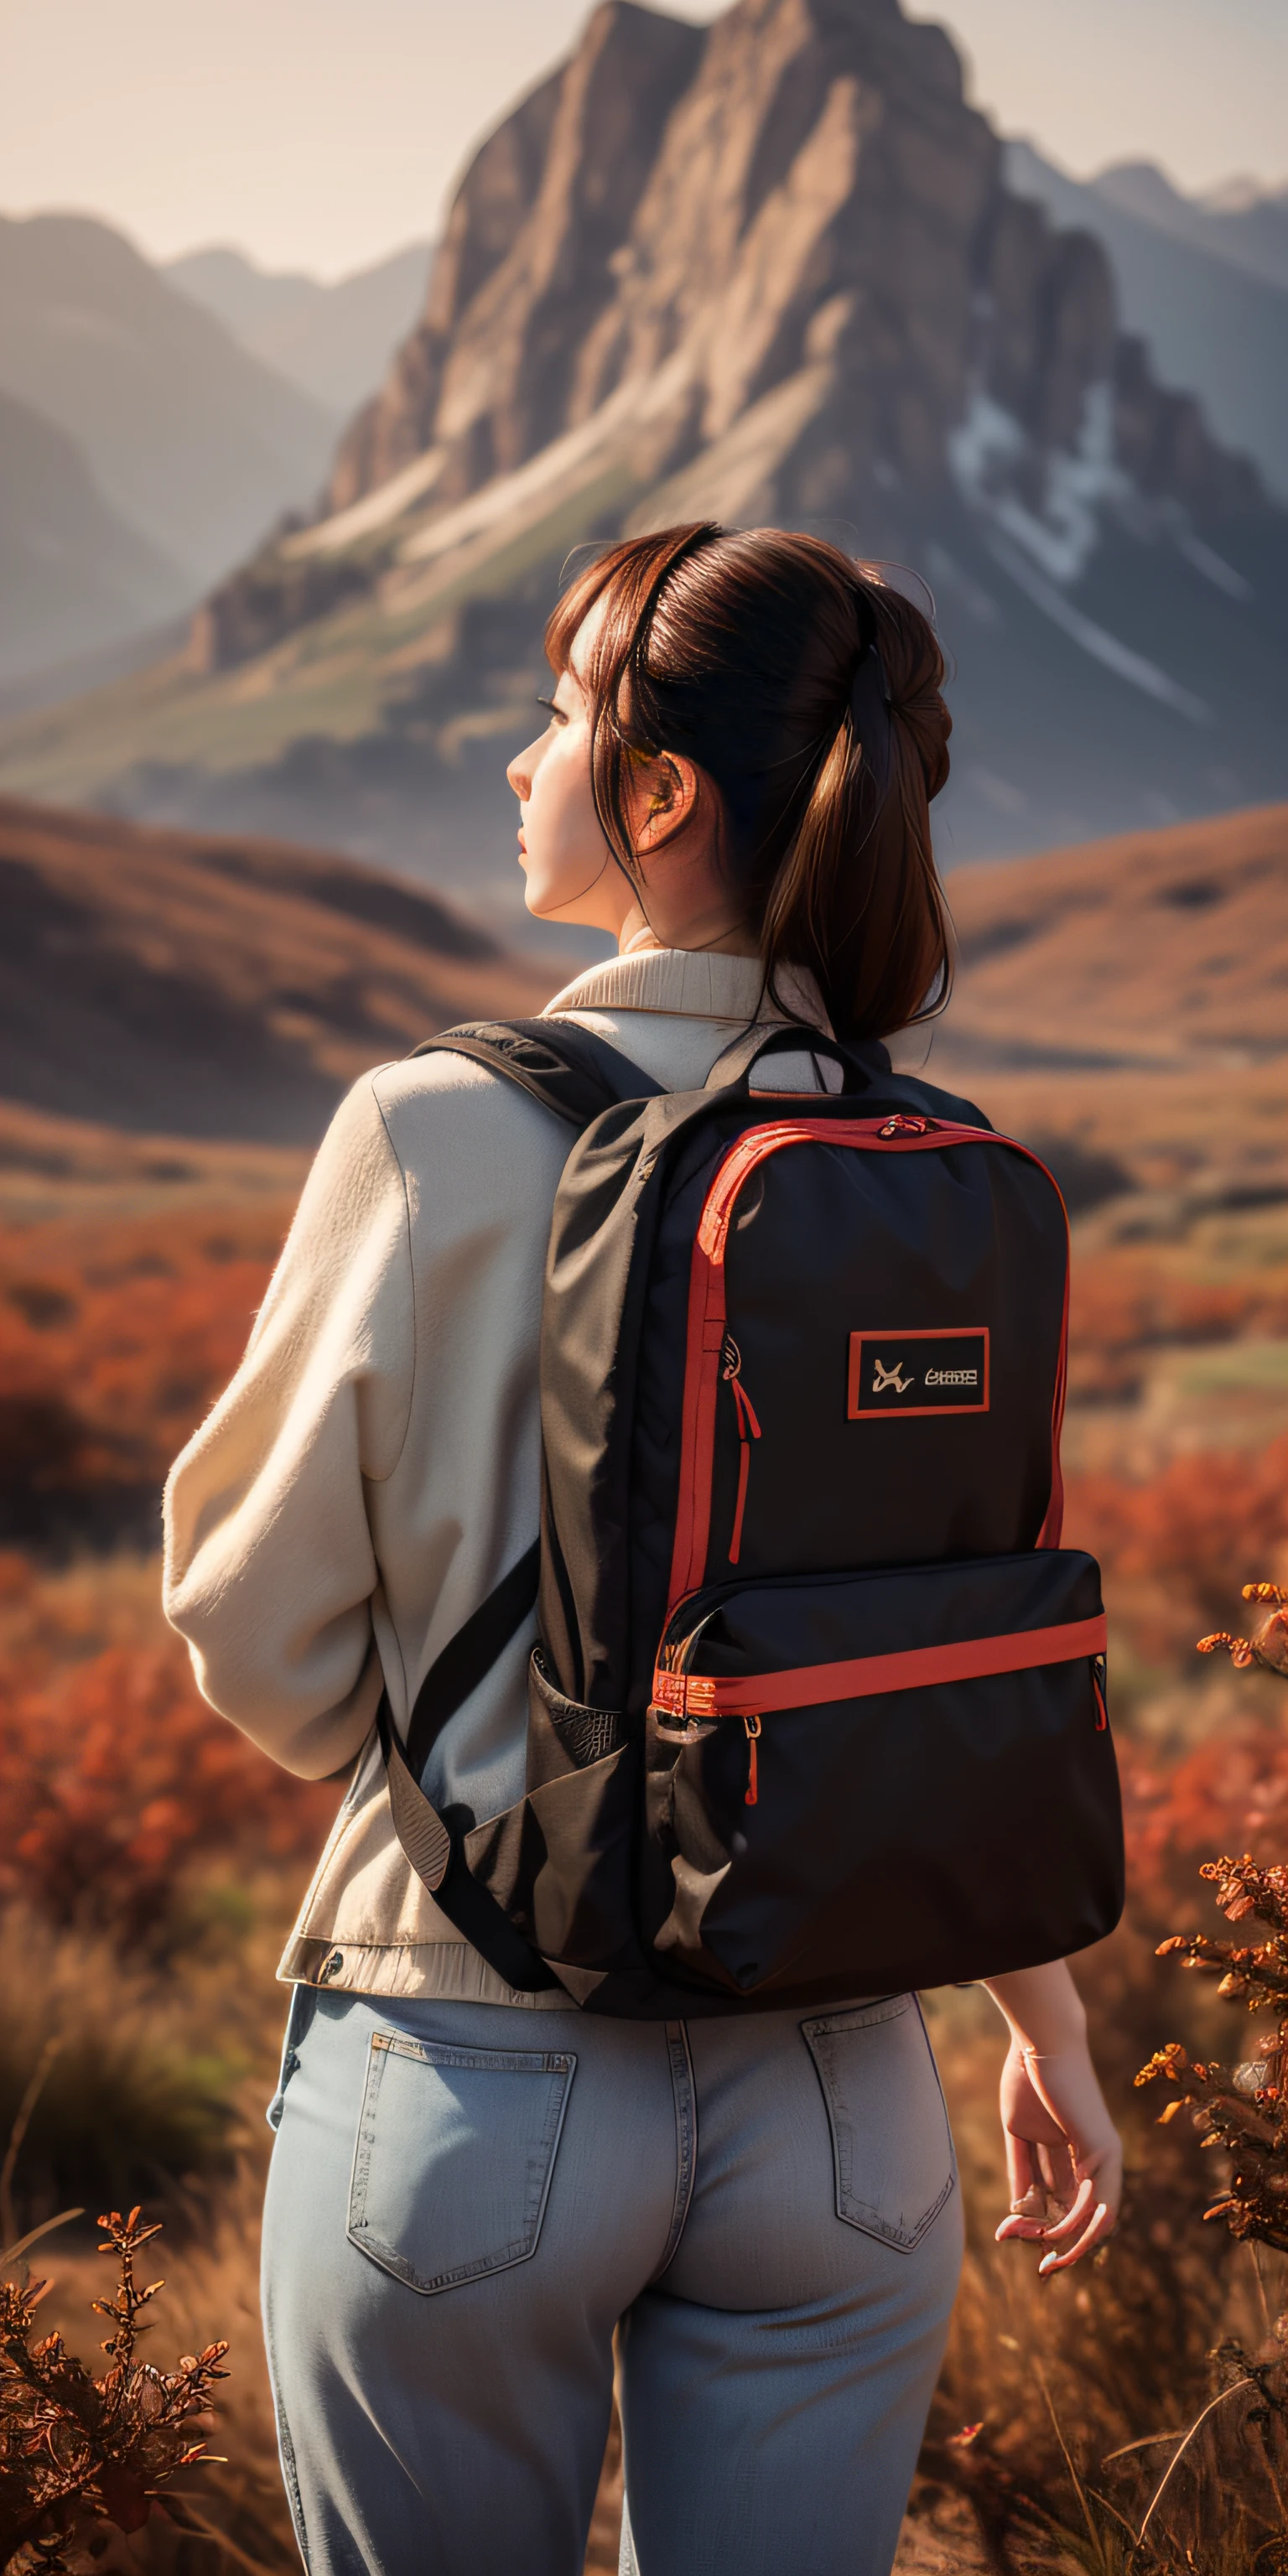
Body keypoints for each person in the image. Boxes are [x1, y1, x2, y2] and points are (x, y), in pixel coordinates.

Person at [164, 522, 1123, 2576]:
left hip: (475, 2060)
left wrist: (439, 1742)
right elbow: (940, 1648)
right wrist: (1048, 2025)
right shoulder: (917, 1164)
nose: (517, 763)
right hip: (853, 2096)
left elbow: (248, 1625)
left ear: (664, 797)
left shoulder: (429, 1129)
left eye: (555, 718)